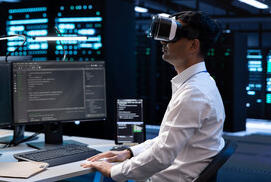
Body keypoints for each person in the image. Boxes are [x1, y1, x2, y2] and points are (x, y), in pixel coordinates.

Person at [81, 11, 225, 182]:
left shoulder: (193, 93)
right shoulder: (201, 83)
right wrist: (129, 152)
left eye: (173, 37)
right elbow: (166, 141)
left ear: (193, 45)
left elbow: (161, 156)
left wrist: (114, 171)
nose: (163, 42)